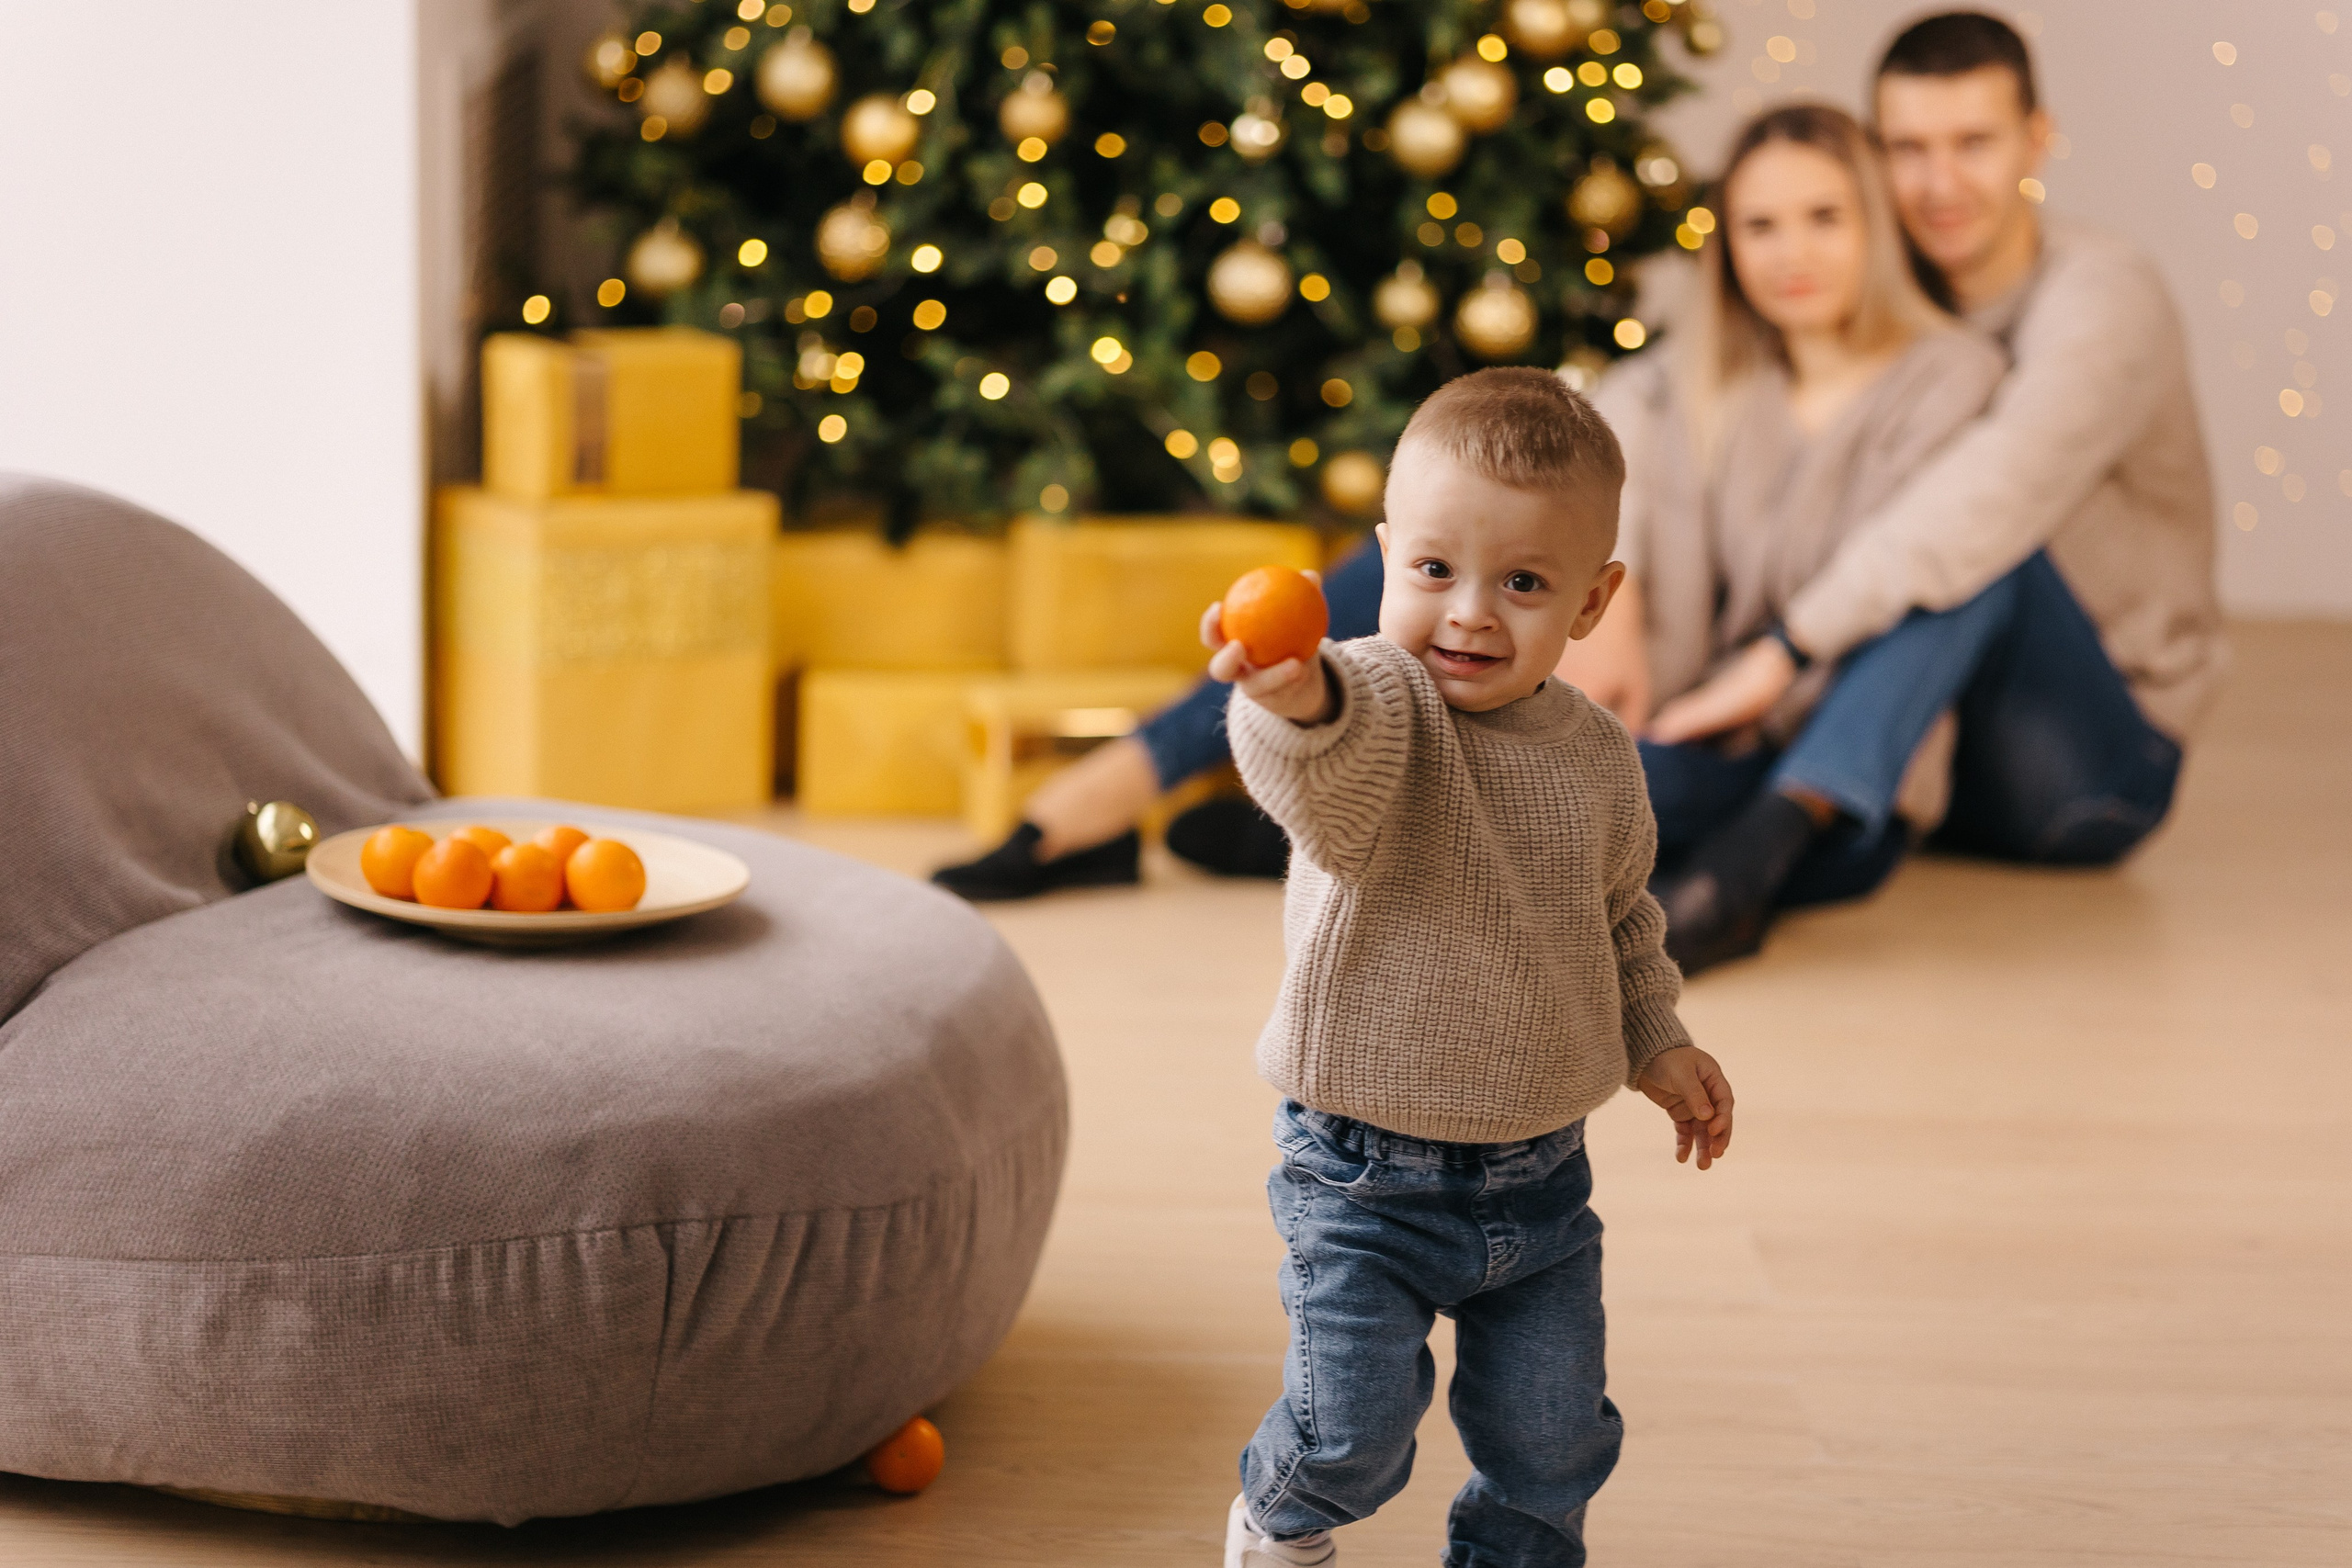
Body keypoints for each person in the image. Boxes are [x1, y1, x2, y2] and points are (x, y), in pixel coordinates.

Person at [1207, 367, 1734, 1568]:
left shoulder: (1597, 757)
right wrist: (1292, 695)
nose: (1470, 615)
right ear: (1385, 557)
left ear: (1594, 601)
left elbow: (1621, 919)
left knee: (1553, 1444)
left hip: (1541, 1177)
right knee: (1350, 1436)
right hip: (1361, 1176)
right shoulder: (1382, 702)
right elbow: (1322, 762)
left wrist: (1657, 1038)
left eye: (1524, 583)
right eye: (1435, 569)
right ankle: (1277, 1524)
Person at [1571, 11, 2222, 970]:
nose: (1939, 183)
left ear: (2037, 139)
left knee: (1974, 548)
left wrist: (1783, 650)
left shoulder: (2101, 298)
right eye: (1908, 148)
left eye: (1973, 143)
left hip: (2089, 750)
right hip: (1919, 735)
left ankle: (1758, 855)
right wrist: (1610, 561)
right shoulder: (1873, 273)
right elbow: (1659, 383)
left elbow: (1987, 500)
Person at [1565, 97, 2007, 969]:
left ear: (1874, 226)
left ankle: (1720, 868)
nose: (1791, 254)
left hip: (1829, 770)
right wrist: (1619, 573)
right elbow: (1608, 413)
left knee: (1597, 801)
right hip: (1700, 730)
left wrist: (1762, 687)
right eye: (1760, 226)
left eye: (1824, 218)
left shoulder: (1953, 377)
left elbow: (1909, 586)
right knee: (1602, 780)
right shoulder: (1710, 380)